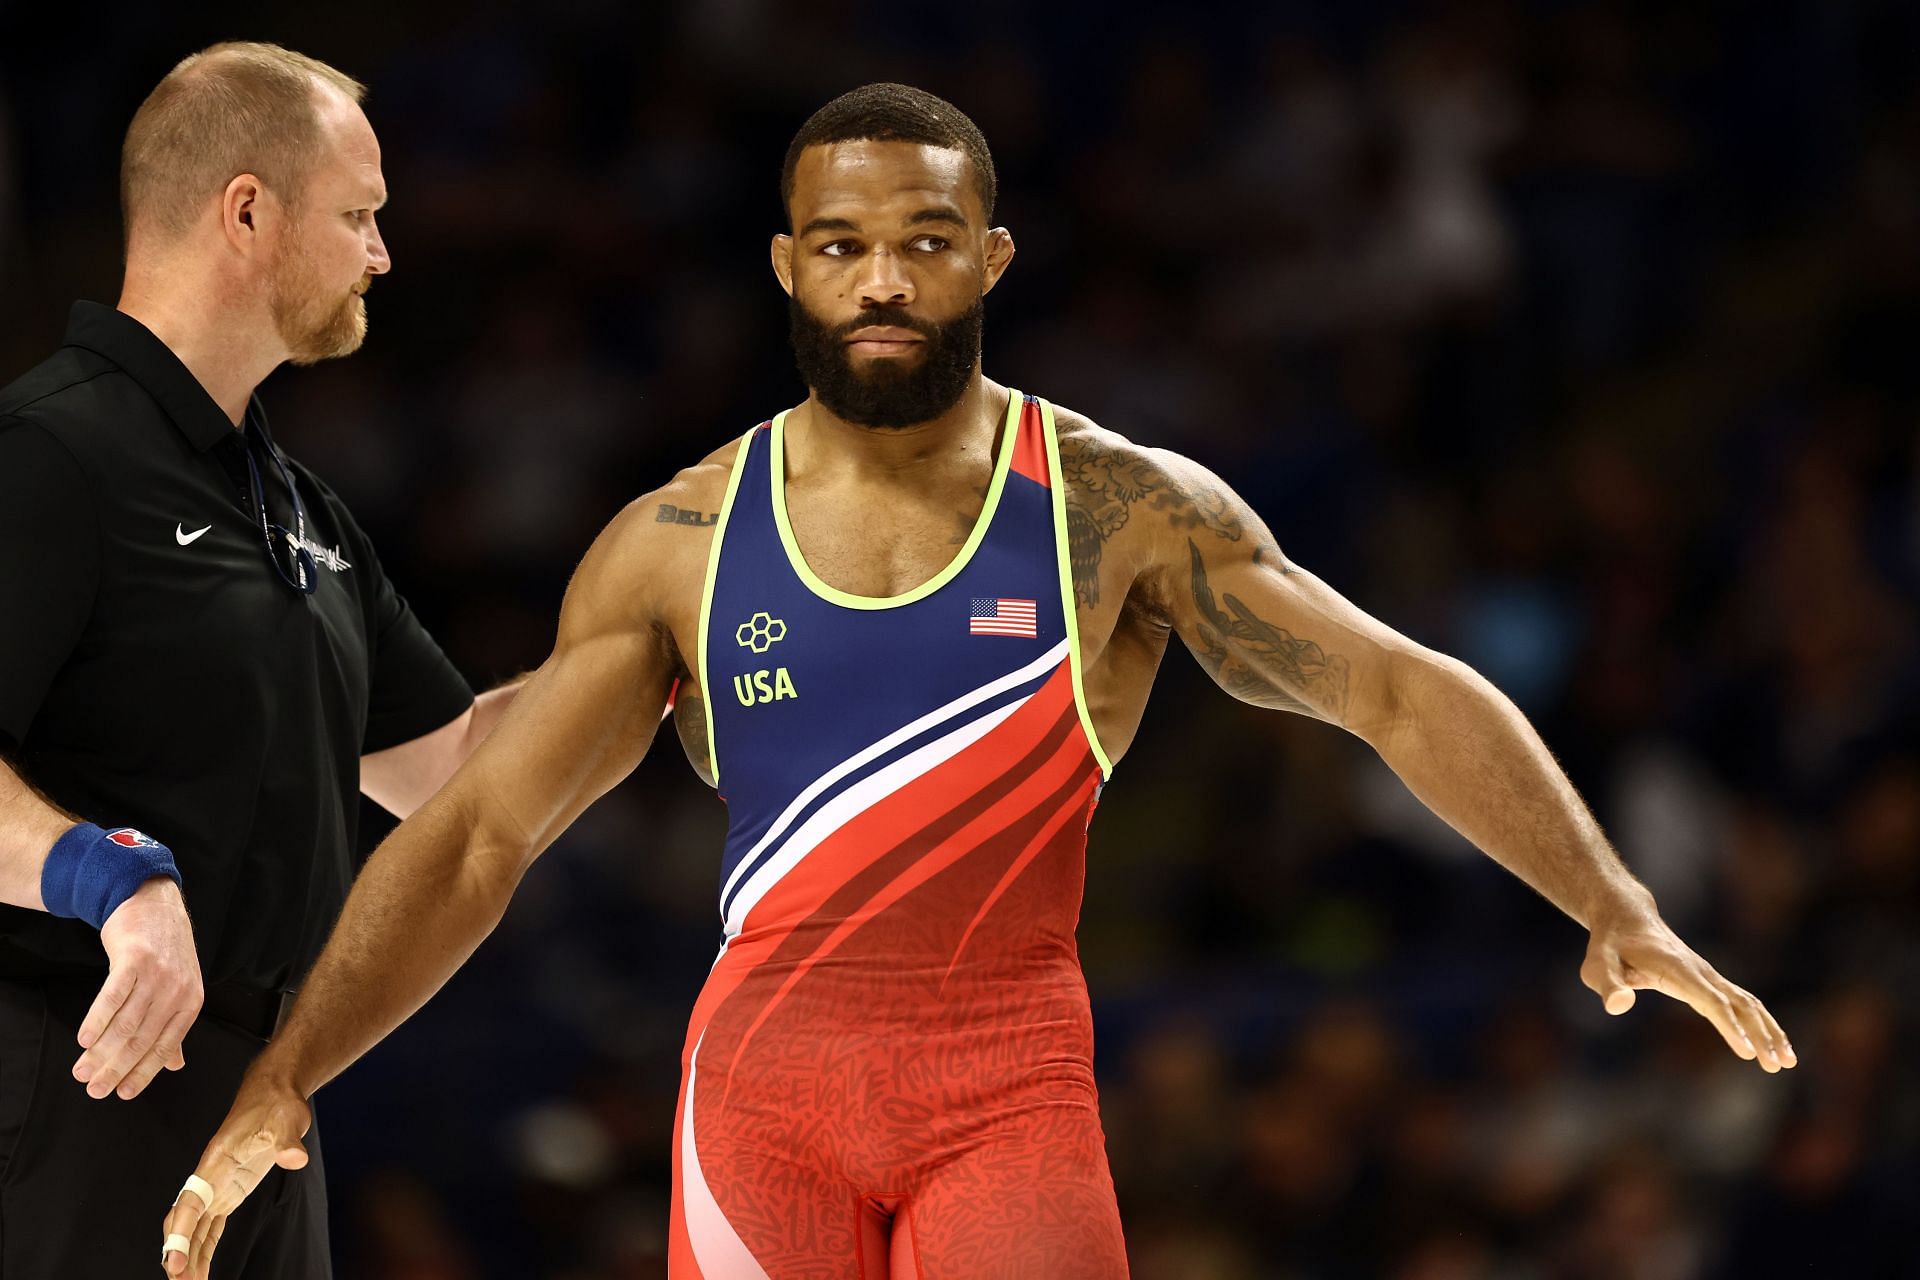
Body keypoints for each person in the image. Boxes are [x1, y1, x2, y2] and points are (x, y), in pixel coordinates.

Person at [164, 83, 1794, 1279]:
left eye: (928, 240)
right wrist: (289, 1072)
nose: (887, 279)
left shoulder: (1114, 509)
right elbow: (480, 838)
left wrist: (1612, 901)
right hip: (765, 1095)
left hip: (1004, 1086)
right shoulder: (676, 540)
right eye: (849, 244)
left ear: (990, 257)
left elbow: (1395, 690)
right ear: (792, 264)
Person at [0, 42, 520, 1277]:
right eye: (359, 215)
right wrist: (105, 870)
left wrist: (682, 630)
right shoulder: (49, 455)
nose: (382, 254)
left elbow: (468, 773)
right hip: (68, 1086)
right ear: (248, 211)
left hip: (262, 1108)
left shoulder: (303, 513)